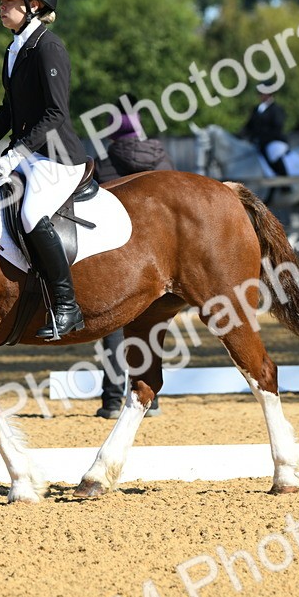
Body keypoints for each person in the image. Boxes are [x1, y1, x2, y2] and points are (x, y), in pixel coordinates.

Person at [0, 0, 90, 339]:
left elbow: (55, 113)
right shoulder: (15, 48)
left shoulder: (48, 48)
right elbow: (8, 111)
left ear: (34, 4)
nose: (0, 8)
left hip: (58, 158)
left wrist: (16, 153)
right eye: (0, 3)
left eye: (7, 2)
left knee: (33, 213)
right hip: (28, 154)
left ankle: (68, 307)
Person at [92, 99, 173, 417]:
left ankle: (113, 401)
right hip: (162, 257)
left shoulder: (103, 163)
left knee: (113, 328)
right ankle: (151, 399)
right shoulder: (163, 160)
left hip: (118, 255)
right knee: (153, 327)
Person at [242, 87, 289, 176]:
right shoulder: (256, 109)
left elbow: (277, 128)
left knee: (272, 153)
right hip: (258, 142)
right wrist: (239, 135)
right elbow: (248, 126)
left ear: (268, 94)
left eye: (262, 93)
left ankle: (283, 179)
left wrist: (262, 139)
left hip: (274, 141)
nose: (259, 96)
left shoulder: (276, 109)